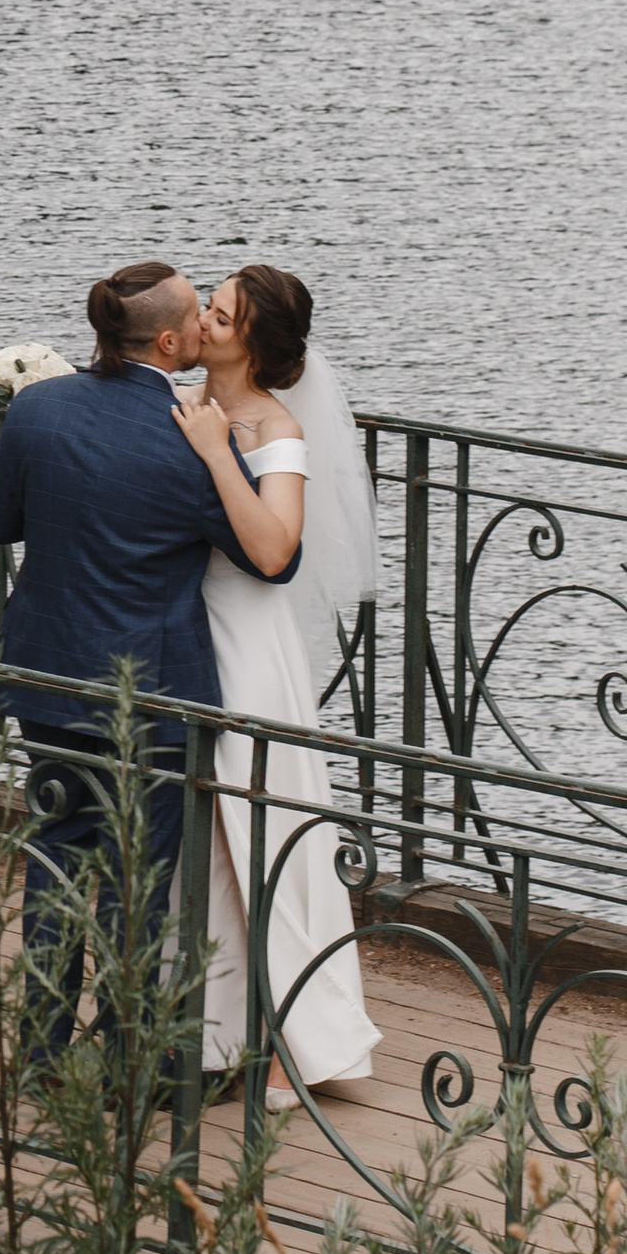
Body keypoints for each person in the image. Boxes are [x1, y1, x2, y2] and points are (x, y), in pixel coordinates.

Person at [0, 258, 269, 1057]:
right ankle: (122, 1060)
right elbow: (266, 560)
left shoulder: (36, 408)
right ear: (171, 342)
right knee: (135, 881)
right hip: (153, 694)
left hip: (47, 674)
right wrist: (224, 456)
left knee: (54, 858)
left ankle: (38, 1053)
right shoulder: (189, 442)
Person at [173, 266, 382, 1098]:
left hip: (248, 643)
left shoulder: (275, 429)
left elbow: (272, 554)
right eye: (206, 310)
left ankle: (304, 1038)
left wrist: (218, 454)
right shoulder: (185, 399)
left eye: (218, 317)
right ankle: (218, 1032)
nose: (202, 323)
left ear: (252, 344)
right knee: (203, 836)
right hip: (184, 633)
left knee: (261, 834)